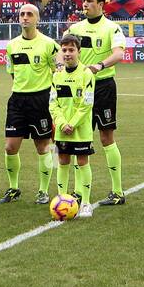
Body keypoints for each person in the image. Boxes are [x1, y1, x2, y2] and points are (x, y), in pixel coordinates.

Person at [64, 0, 128, 206]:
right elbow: (63, 52)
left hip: (103, 87)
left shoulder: (112, 27)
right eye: (84, 1)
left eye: (90, 1)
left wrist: (99, 66)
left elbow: (119, 53)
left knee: (106, 138)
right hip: (79, 88)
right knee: (77, 139)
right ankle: (78, 192)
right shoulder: (75, 28)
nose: (85, 4)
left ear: (101, 4)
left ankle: (117, 191)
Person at [1, 3, 58, 205]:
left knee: (42, 146)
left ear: (37, 19)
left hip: (40, 99)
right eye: (22, 14)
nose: (25, 17)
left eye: (30, 14)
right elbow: (12, 73)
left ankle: (43, 191)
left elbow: (57, 71)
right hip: (17, 99)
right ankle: (14, 188)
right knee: (10, 147)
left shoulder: (49, 44)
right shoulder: (12, 45)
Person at [50, 34, 96, 218]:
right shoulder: (57, 75)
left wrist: (73, 123)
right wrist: (62, 123)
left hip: (81, 129)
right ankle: (62, 198)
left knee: (83, 162)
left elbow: (87, 103)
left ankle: (85, 202)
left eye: (71, 50)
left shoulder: (86, 74)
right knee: (62, 162)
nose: (67, 54)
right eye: (64, 50)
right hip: (62, 130)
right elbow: (53, 104)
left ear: (79, 51)